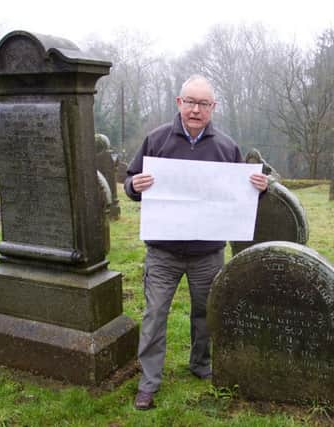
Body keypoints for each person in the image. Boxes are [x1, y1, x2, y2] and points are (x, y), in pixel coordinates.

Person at [124, 75, 268, 410]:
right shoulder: (156, 139)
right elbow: (129, 181)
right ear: (179, 102)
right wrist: (135, 186)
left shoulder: (226, 147)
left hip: (207, 253)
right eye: (190, 102)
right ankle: (149, 382)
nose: (195, 109)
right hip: (162, 252)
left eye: (203, 104)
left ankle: (201, 364)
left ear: (213, 108)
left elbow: (239, 195)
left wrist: (258, 189)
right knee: (155, 315)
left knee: (206, 313)